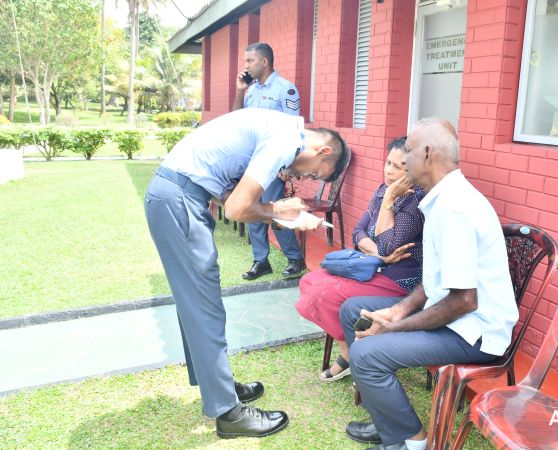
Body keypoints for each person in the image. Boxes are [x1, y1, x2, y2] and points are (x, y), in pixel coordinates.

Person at [144, 107, 349, 440]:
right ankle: (229, 413)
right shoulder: (285, 139)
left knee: (196, 304)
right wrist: (277, 210)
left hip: (178, 195)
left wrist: (278, 214)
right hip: (179, 199)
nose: (303, 178)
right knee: (203, 306)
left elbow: (230, 196)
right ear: (323, 151)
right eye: (314, 173)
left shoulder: (281, 127)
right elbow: (237, 209)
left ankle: (219, 388)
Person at [339, 118, 518, 450]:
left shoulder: (454, 208)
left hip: (474, 332)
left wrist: (395, 327)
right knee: (354, 310)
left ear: (426, 154)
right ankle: (387, 418)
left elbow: (464, 301)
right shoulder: (442, 198)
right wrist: (399, 310)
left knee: (364, 353)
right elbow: (437, 279)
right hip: (454, 317)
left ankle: (411, 441)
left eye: (407, 151)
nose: (402, 159)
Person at [294, 137, 425, 381]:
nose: (389, 171)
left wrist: (389, 201)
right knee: (309, 281)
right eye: (388, 163)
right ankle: (350, 351)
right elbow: (358, 233)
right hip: (375, 268)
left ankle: (350, 357)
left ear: (414, 171)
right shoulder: (382, 190)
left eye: (399, 167)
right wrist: (381, 256)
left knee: (326, 293)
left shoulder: (415, 201)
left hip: (399, 279)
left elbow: (388, 244)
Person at [232, 42, 306, 281]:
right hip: (253, 161)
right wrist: (240, 91)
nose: (246, 66)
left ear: (264, 62)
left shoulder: (286, 89)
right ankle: (261, 261)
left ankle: (295, 258)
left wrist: (288, 167)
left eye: (250, 60)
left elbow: (294, 130)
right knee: (252, 209)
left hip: (275, 162)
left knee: (274, 210)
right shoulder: (251, 90)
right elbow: (237, 120)